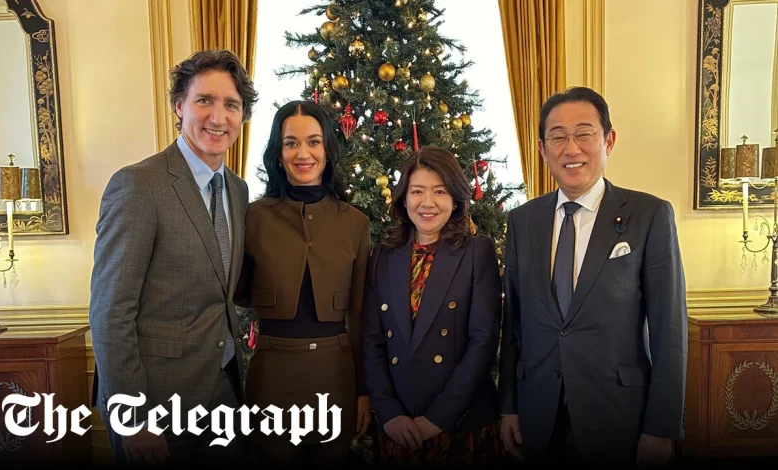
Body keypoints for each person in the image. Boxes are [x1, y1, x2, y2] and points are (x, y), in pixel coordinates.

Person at [497, 86, 687, 466]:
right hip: (538, 415)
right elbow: (514, 324)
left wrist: (662, 427)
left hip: (619, 417)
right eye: (558, 137)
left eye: (584, 133)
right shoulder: (523, 220)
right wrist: (509, 407)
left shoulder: (649, 215)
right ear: (542, 149)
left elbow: (669, 329)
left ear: (608, 140)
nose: (571, 148)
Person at [89, 49, 258, 466]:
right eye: (205, 100)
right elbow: (111, 311)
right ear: (179, 105)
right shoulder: (137, 185)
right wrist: (132, 417)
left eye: (231, 105)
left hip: (224, 394)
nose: (218, 117)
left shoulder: (237, 191)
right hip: (156, 405)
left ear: (242, 117)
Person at [234, 100, 372, 466]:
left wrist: (362, 391)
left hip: (336, 375)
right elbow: (234, 293)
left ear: (327, 148)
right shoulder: (253, 217)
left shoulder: (355, 222)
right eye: (291, 143)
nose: (303, 153)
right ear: (278, 153)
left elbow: (359, 315)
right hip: (272, 376)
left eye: (313, 141)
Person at [362, 146, 504, 467]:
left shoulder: (476, 251)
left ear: (455, 199)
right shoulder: (385, 255)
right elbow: (372, 342)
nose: (427, 202)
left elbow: (483, 342)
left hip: (461, 425)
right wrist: (389, 413)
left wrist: (438, 418)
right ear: (403, 199)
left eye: (439, 191)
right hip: (400, 427)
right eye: (417, 191)